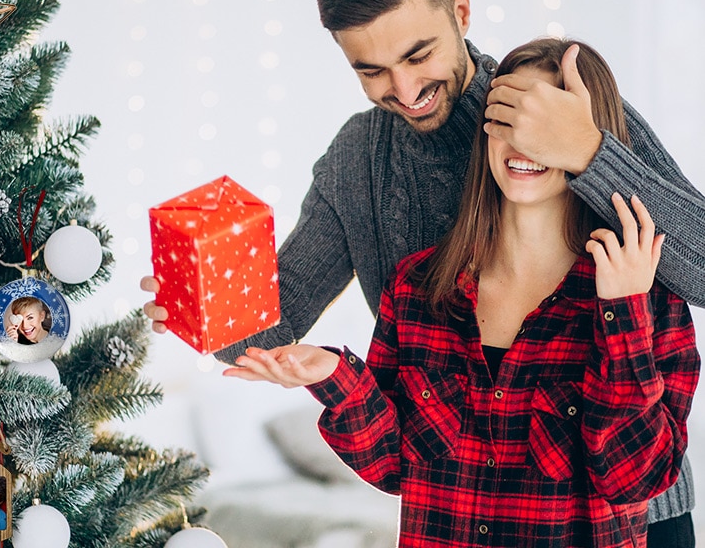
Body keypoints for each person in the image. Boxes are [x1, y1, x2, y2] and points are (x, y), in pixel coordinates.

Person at [140, 0, 705, 542]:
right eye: (371, 70)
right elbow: (277, 324)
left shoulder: (560, 102)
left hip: (628, 511)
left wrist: (590, 151)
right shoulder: (358, 162)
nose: (405, 90)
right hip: (469, 509)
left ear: (460, 10)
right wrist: (204, 303)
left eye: (418, 54)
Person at [224, 38, 700, 547]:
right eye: (506, 119)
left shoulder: (642, 297)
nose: (522, 142)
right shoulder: (417, 288)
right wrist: (333, 377)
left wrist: (623, 314)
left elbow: (634, 478)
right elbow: (395, 464)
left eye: (542, 126)